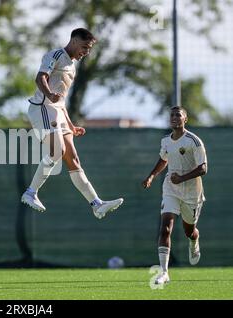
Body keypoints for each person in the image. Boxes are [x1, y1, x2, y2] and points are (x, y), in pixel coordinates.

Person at [21, 28, 123, 218]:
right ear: (74, 41)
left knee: (73, 159)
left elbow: (61, 100)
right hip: (42, 108)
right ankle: (30, 192)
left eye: (89, 48)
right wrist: (49, 94)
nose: (86, 52)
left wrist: (70, 124)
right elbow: (40, 77)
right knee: (56, 151)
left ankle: (96, 204)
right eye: (85, 47)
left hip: (57, 112)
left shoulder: (73, 66)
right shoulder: (56, 55)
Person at [142, 106, 207, 285]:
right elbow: (164, 159)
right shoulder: (165, 141)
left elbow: (203, 168)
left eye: (178, 115)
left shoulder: (193, 141)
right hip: (171, 188)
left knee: (189, 231)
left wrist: (182, 178)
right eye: (171, 115)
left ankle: (194, 240)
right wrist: (151, 176)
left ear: (185, 119)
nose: (174, 117)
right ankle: (164, 272)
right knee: (166, 228)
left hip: (192, 192)